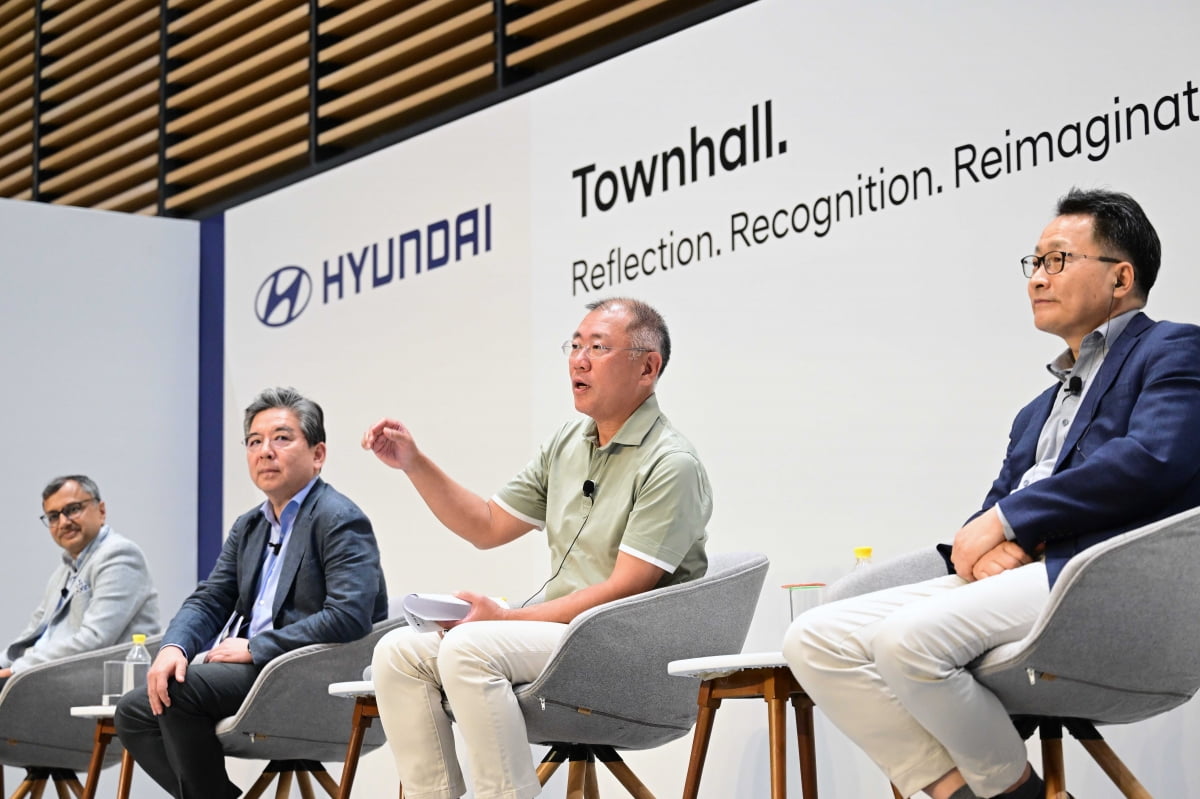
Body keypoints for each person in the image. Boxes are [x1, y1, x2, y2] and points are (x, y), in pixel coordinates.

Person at [784, 188, 1200, 799]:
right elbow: (993, 504)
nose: (1037, 278)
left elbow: (1151, 460)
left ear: (1121, 277)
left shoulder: (1172, 349)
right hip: (1020, 573)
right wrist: (987, 541)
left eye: (1057, 260)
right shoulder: (1037, 409)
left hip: (1094, 573)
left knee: (909, 642)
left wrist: (1008, 522)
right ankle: (987, 792)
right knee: (813, 640)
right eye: (1033, 263)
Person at [363, 297, 711, 799]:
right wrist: (413, 462)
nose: (579, 359)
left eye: (598, 346)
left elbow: (624, 589)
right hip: (558, 635)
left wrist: (503, 622)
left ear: (647, 367)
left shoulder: (670, 463)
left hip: (627, 647)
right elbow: (487, 525)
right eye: (575, 345)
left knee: (467, 648)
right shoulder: (569, 441)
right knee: (396, 653)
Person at [114, 387, 388, 799]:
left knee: (179, 693)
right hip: (257, 672)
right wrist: (175, 646)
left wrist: (258, 647)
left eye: (281, 438)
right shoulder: (250, 527)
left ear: (318, 454)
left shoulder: (339, 518)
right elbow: (210, 598)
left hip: (309, 675)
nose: (265, 452)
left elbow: (350, 616)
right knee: (135, 710)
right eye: (254, 442)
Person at [0, 474, 160, 685]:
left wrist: (16, 670)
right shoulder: (65, 569)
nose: (64, 522)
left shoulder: (119, 555)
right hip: (47, 676)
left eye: (73, 509)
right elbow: (35, 630)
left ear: (101, 511)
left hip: (94, 680)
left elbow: (94, 640)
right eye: (53, 516)